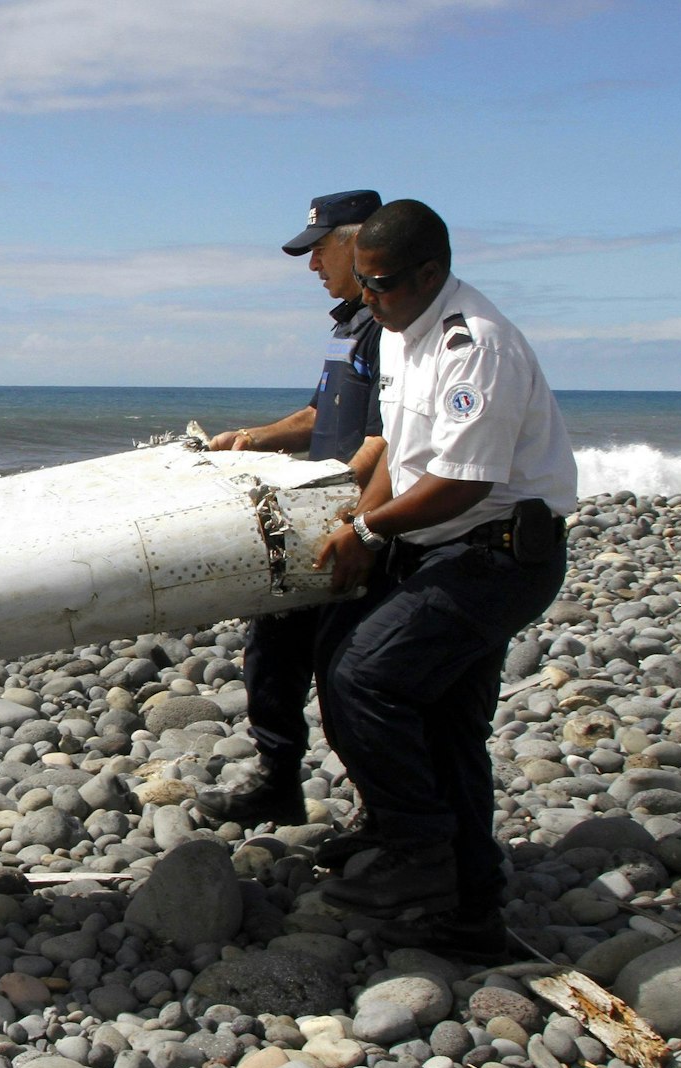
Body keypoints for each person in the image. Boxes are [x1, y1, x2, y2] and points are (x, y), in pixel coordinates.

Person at [312, 200, 576, 959]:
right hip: (440, 545)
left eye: (382, 284)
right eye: (361, 283)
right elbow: (402, 444)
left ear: (431, 274)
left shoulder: (476, 347)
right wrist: (366, 524)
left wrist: (367, 529)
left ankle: (417, 850)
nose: (367, 299)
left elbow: (462, 481)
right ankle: (469, 910)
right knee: (440, 718)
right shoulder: (402, 330)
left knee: (368, 678)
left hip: (497, 554)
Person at [197, 189, 388, 828]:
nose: (312, 266)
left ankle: (380, 811)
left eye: (319, 250)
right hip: (319, 515)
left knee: (348, 674)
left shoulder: (391, 330)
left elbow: (387, 442)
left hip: (358, 522)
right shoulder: (347, 327)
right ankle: (278, 779)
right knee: (272, 650)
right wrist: (251, 438)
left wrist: (350, 517)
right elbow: (317, 416)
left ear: (360, 244)